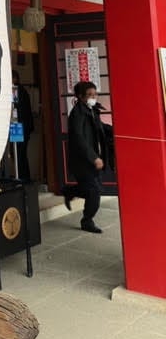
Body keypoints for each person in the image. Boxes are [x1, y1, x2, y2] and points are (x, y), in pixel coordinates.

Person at [62, 81, 105, 233]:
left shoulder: (92, 110)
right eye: (89, 95)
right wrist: (94, 157)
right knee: (94, 191)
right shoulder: (77, 114)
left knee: (93, 189)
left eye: (95, 94)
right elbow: (79, 138)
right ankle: (87, 221)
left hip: (92, 158)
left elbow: (100, 129)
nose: (93, 97)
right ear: (80, 97)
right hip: (83, 160)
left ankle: (70, 191)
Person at [12, 70, 34, 181]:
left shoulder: (15, 90)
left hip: (17, 126)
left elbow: (15, 109)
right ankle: (23, 177)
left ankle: (22, 177)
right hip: (22, 125)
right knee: (20, 154)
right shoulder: (21, 90)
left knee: (18, 154)